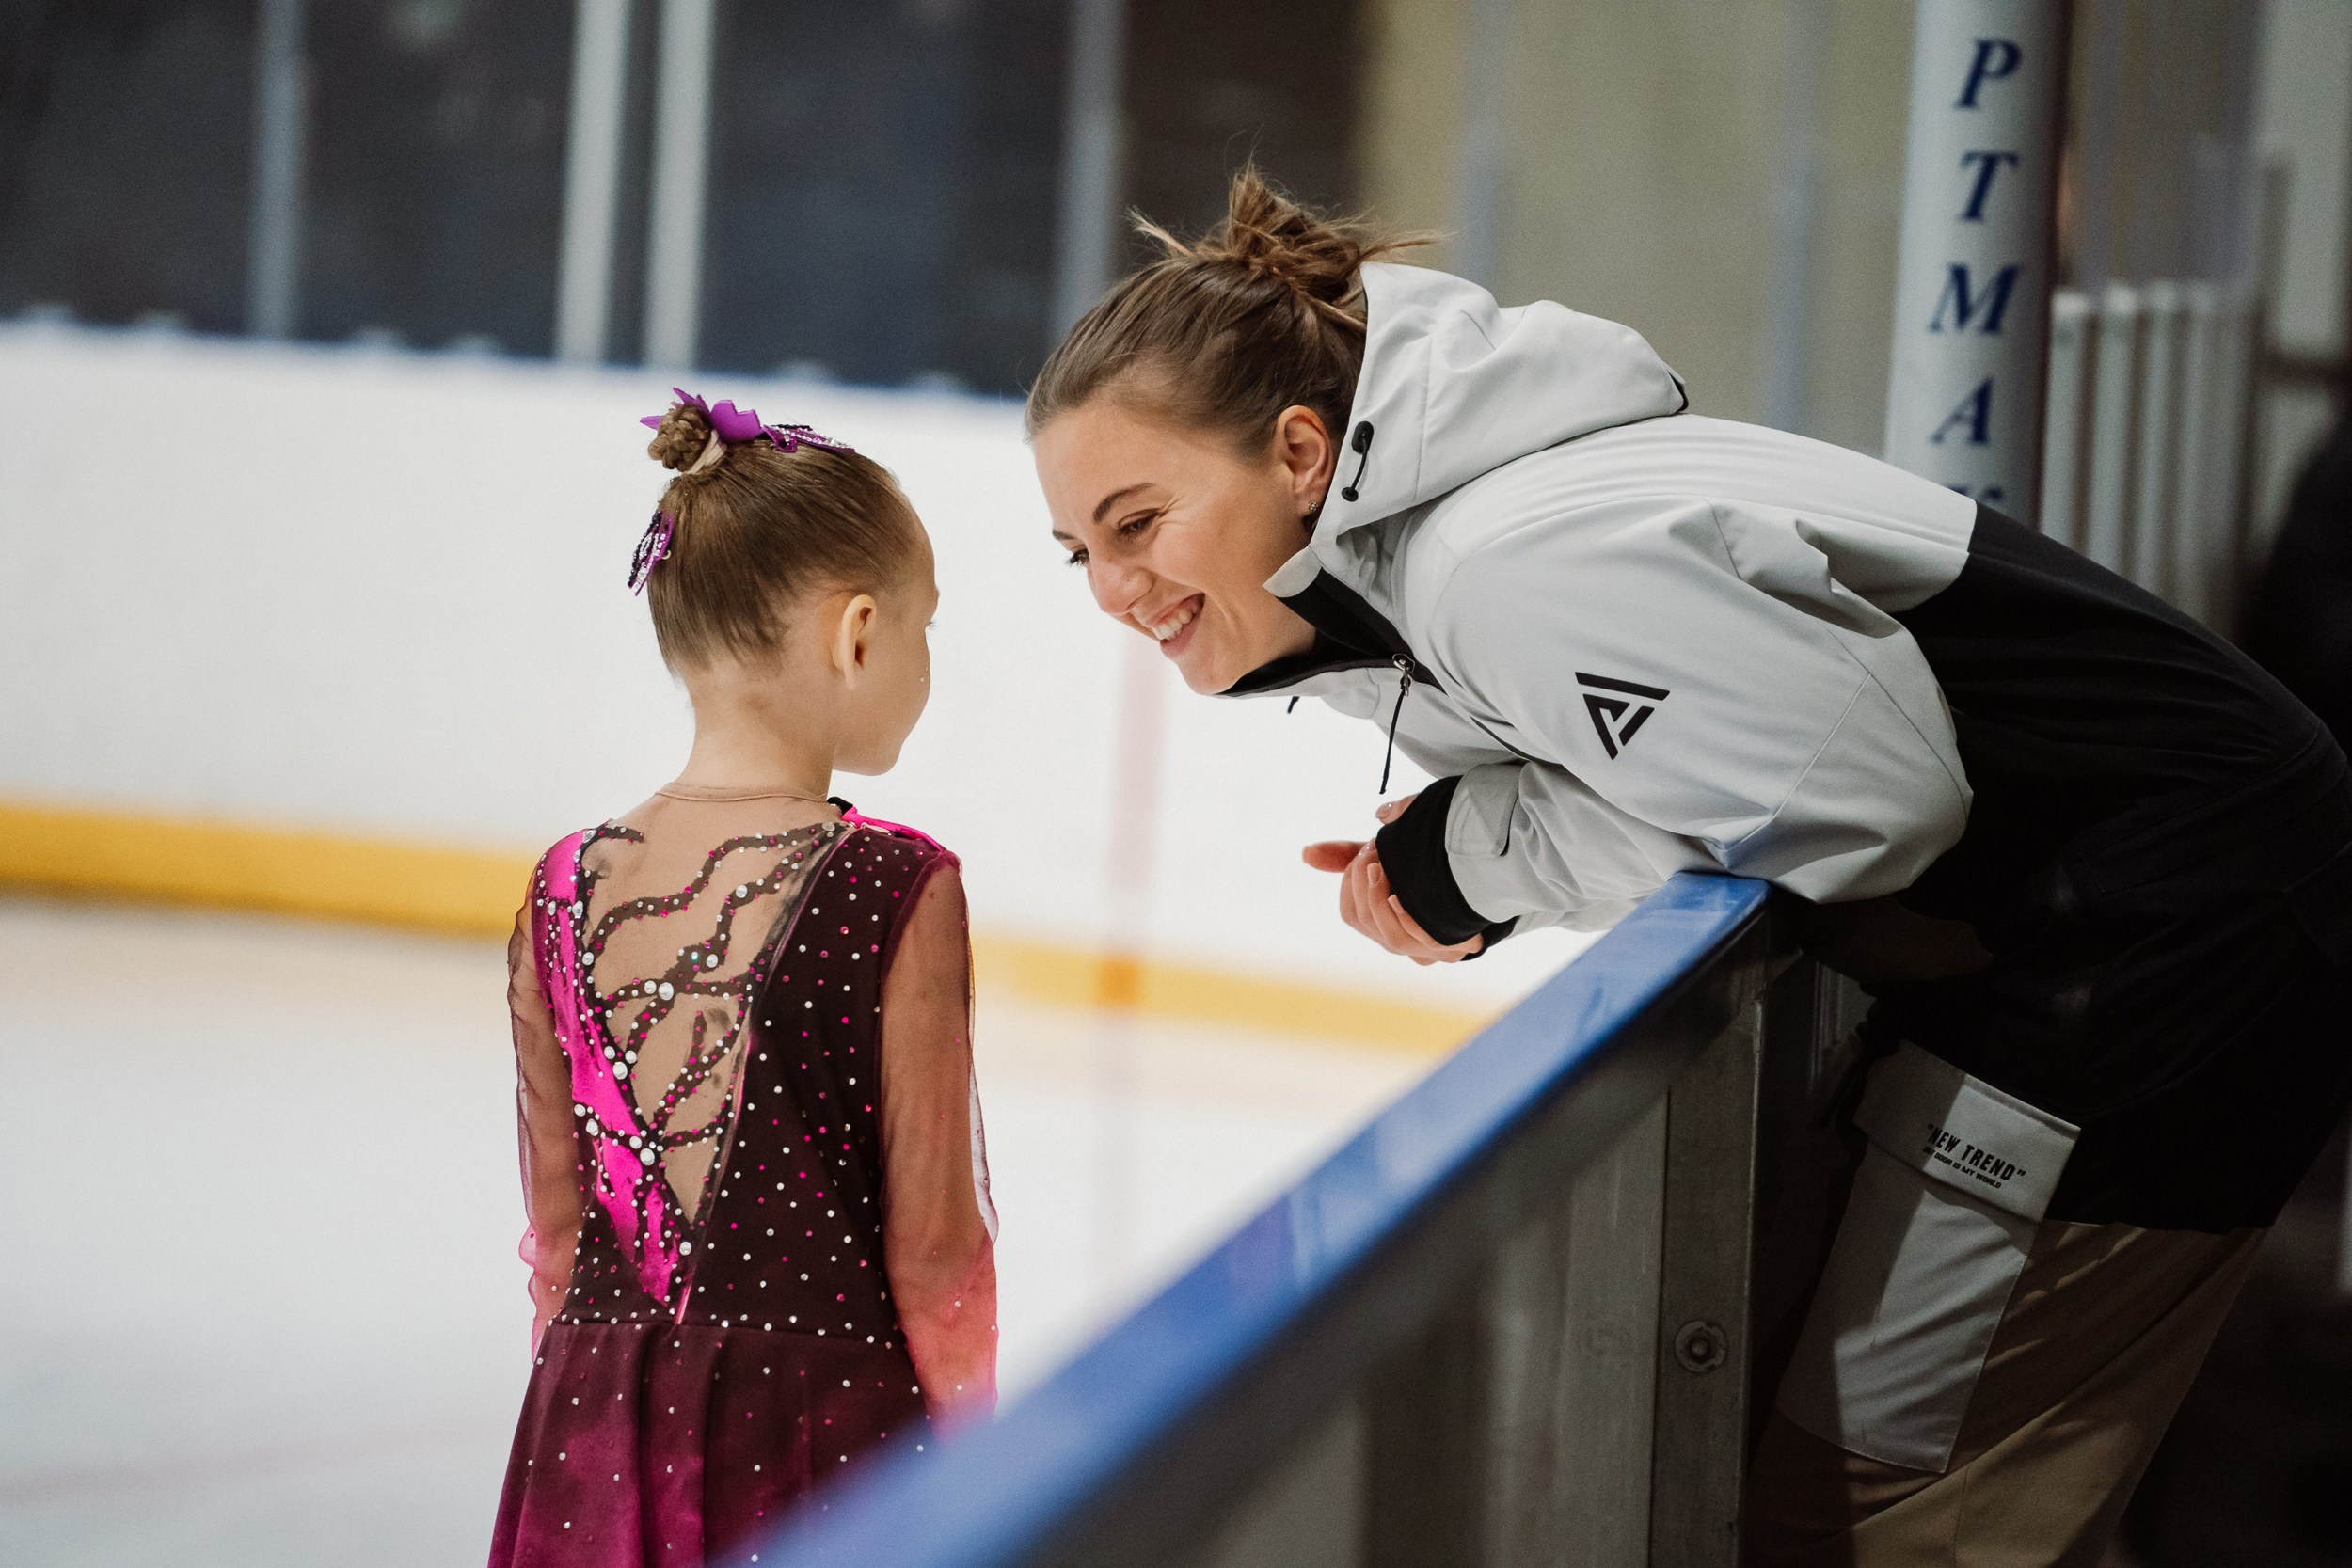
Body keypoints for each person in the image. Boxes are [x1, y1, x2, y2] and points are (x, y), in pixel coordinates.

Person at [1027, 171, 2352, 1566]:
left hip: (2161, 940)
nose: (1116, 588)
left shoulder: (1500, 559)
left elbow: (1864, 802)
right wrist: (1462, 849)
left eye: (1137, 519)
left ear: (1302, 453)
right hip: (2136, 920)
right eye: (1078, 554)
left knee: (1874, 1523)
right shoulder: (1463, 527)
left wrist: (1468, 856)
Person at [488, 392, 997, 1567]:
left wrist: (602, 1416)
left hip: (589, 1435)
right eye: (926, 628)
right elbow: (936, 1257)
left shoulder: (558, 887)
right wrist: (980, 1461)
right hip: (822, 1445)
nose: (924, 658)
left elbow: (559, 1234)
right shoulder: (895, 885)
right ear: (859, 631)